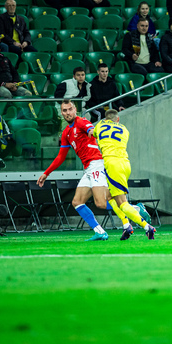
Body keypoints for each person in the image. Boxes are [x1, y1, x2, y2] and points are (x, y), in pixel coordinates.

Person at [37, 99, 110, 241]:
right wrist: (46, 173)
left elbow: (92, 130)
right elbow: (60, 157)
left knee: (100, 203)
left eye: (70, 109)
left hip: (96, 163)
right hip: (88, 168)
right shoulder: (66, 133)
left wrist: (93, 133)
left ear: (75, 109)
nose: (68, 113)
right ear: (61, 113)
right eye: (64, 110)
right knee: (77, 202)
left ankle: (135, 209)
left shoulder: (81, 121)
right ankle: (100, 231)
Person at [92, 109, 156, 240]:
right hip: (125, 164)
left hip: (112, 163)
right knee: (110, 196)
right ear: (118, 119)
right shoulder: (125, 129)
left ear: (106, 119)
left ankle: (147, 226)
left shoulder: (100, 125)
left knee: (122, 203)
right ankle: (126, 225)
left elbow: (93, 134)